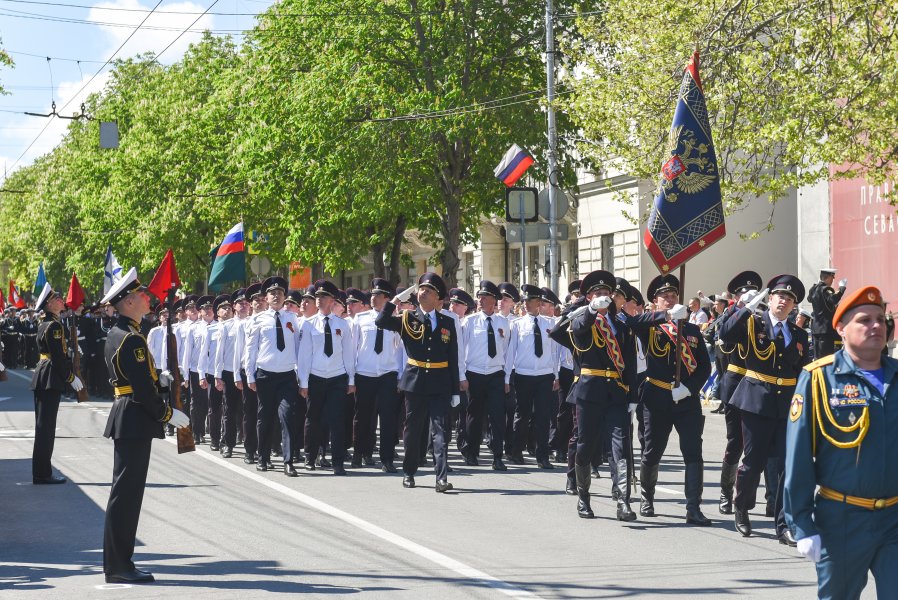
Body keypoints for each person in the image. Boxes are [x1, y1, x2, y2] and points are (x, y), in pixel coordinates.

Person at [785, 285, 898, 600]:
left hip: (894, 519)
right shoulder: (819, 378)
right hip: (842, 521)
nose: (876, 326)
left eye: (880, 319)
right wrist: (802, 524)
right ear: (840, 328)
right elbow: (798, 457)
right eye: (864, 320)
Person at [100, 268, 190, 583]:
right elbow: (140, 388)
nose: (146, 297)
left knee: (124, 492)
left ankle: (118, 562)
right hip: (135, 415)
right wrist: (167, 414)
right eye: (140, 295)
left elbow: (136, 378)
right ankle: (119, 565)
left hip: (129, 414)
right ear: (126, 302)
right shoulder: (133, 338)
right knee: (126, 494)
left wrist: (159, 379)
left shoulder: (120, 333)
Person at [719, 275, 810, 544]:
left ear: (794, 305)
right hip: (756, 401)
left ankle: (783, 524)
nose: (784, 301)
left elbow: (802, 371)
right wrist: (744, 307)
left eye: (789, 298)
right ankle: (742, 507)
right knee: (753, 461)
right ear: (769, 299)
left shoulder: (798, 334)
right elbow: (724, 334)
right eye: (779, 296)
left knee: (784, 466)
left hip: (787, 406)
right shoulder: (752, 323)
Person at [625, 274, 712, 525]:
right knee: (652, 451)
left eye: (674, 296)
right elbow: (633, 322)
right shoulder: (649, 326)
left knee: (693, 452)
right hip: (656, 398)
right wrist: (666, 317)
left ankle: (693, 507)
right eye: (665, 297)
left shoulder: (693, 330)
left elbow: (704, 367)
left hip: (686, 399)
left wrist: (690, 388)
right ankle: (647, 497)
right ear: (655, 302)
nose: (670, 299)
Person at [376, 273, 460, 492]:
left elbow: (453, 358)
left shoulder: (448, 323)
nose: (423, 292)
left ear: (438, 299)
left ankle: (441, 478)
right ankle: (409, 472)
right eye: (422, 288)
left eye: (429, 290)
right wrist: (394, 302)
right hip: (415, 382)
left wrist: (455, 390)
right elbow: (381, 321)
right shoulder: (407, 318)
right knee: (412, 431)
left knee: (440, 432)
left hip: (440, 383)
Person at [567, 270, 637, 521]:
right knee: (586, 446)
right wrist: (590, 311)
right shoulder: (581, 318)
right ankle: (583, 498)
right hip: (589, 392)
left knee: (620, 447)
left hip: (616, 392)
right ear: (588, 297)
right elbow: (577, 328)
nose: (604, 296)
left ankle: (623, 501)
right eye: (598, 293)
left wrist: (632, 396)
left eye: (607, 293)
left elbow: (628, 362)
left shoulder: (620, 324)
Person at [245, 277, 303, 476]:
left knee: (287, 416)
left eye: (279, 293)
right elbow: (251, 349)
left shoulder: (292, 318)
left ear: (285, 297)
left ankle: (288, 461)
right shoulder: (258, 319)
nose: (276, 296)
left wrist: (301, 376)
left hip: (287, 375)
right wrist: (249, 375)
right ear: (266, 298)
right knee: (266, 416)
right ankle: (263, 457)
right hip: (265, 375)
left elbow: (298, 348)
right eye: (272, 293)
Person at [298, 279, 355, 475]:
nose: (319, 300)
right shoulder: (308, 325)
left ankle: (338, 461)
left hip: (337, 377)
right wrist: (303, 382)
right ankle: (310, 457)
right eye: (317, 297)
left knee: (337, 420)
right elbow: (304, 356)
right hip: (316, 377)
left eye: (323, 297)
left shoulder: (343, 324)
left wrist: (351, 380)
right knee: (313, 419)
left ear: (332, 300)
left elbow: (348, 353)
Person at [29, 283, 84, 484]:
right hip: (50, 376)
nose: (62, 300)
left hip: (44, 374)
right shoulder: (54, 326)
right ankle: (43, 474)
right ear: (50, 304)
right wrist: (71, 377)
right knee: (46, 428)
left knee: (43, 427)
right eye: (58, 298)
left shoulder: (46, 323)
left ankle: (41, 472)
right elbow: (58, 358)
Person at [505, 284, 559, 469]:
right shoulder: (517, 324)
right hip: (523, 375)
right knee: (522, 415)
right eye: (525, 301)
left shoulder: (550, 324)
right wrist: (507, 378)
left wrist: (556, 375)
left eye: (530, 301)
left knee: (543, 417)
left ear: (539, 303)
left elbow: (554, 352)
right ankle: (516, 451)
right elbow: (511, 353)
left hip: (544, 375)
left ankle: (542, 455)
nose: (526, 304)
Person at [351, 278, 402, 472]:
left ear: (387, 299)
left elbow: (400, 350)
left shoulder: (395, 320)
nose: (373, 298)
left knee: (388, 419)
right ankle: (360, 453)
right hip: (364, 373)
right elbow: (352, 349)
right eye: (372, 294)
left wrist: (400, 375)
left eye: (378, 295)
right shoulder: (361, 319)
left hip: (388, 374)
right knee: (363, 417)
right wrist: (351, 376)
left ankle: (387, 459)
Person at [459, 280, 510, 470]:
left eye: (485, 297)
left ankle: (497, 456)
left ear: (494, 300)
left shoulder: (504, 322)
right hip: (474, 373)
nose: (480, 300)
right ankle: (471, 452)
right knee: (474, 415)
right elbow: (461, 350)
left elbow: (506, 351)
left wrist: (505, 378)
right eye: (479, 297)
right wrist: (462, 375)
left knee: (497, 416)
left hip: (496, 374)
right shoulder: (469, 322)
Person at [807, 267, 846, 359]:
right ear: (828, 277)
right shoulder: (825, 289)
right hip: (825, 329)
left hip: (816, 328)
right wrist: (842, 288)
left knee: (817, 357)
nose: (833, 280)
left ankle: (817, 373)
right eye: (833, 277)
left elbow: (809, 299)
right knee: (826, 358)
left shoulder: (813, 288)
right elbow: (833, 299)